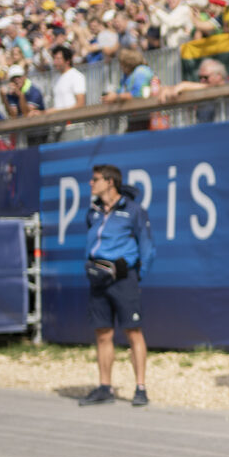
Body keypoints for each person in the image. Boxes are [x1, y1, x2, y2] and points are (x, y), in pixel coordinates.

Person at [78, 164, 155, 407]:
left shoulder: (133, 211)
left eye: (95, 179)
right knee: (103, 333)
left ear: (110, 182)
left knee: (133, 331)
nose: (91, 183)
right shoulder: (93, 212)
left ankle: (140, 388)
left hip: (123, 277)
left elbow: (147, 247)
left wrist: (136, 276)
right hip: (98, 277)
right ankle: (105, 387)